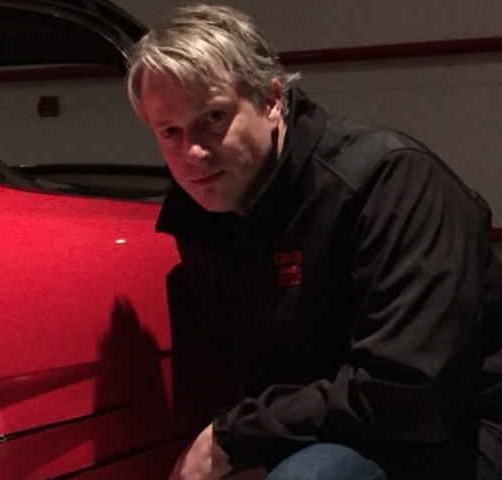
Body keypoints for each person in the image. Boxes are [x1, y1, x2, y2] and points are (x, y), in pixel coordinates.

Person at [125, 5, 502, 480]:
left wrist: (237, 436)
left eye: (213, 118)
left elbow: (411, 392)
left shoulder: (388, 181)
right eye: (170, 132)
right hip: (323, 426)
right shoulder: (201, 214)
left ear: (271, 100)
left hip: (458, 427)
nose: (193, 152)